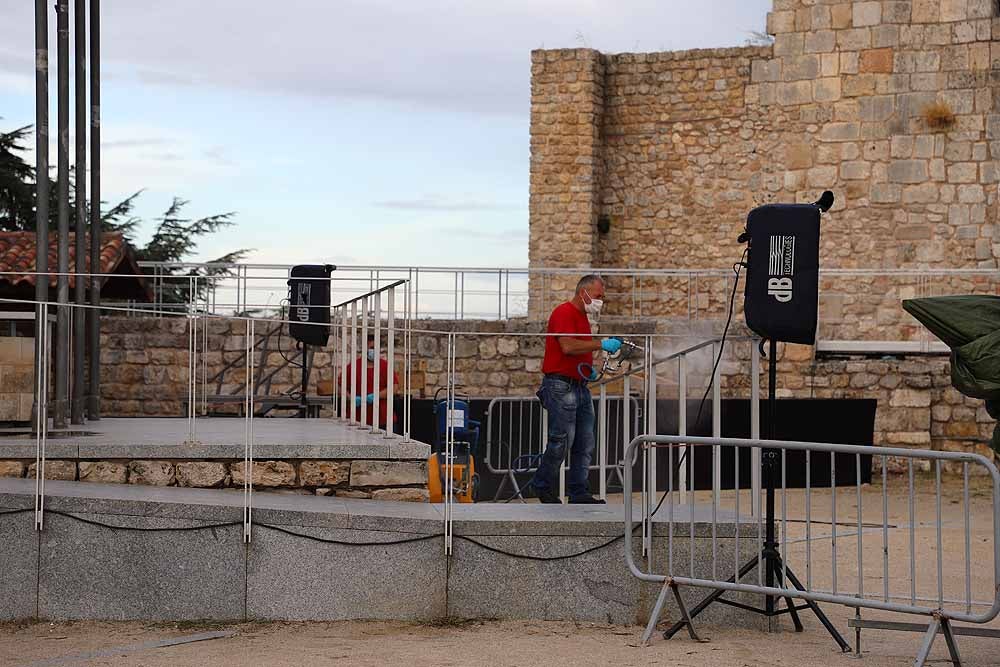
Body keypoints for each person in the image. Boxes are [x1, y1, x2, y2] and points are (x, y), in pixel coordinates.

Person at [529, 275, 621, 504]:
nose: (601, 300)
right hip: (561, 385)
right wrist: (602, 343)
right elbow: (568, 346)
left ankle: (579, 492)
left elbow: (574, 350)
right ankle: (543, 485)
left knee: (584, 442)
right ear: (585, 293)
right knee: (561, 439)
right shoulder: (564, 313)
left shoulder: (581, 317)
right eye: (598, 296)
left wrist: (588, 369)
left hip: (578, 385)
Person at [339, 332, 399, 431]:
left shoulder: (385, 366)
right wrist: (351, 398)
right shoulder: (353, 366)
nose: (373, 351)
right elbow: (341, 385)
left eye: (375, 348)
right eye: (370, 348)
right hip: (357, 419)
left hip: (383, 419)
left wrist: (375, 396)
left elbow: (394, 388)